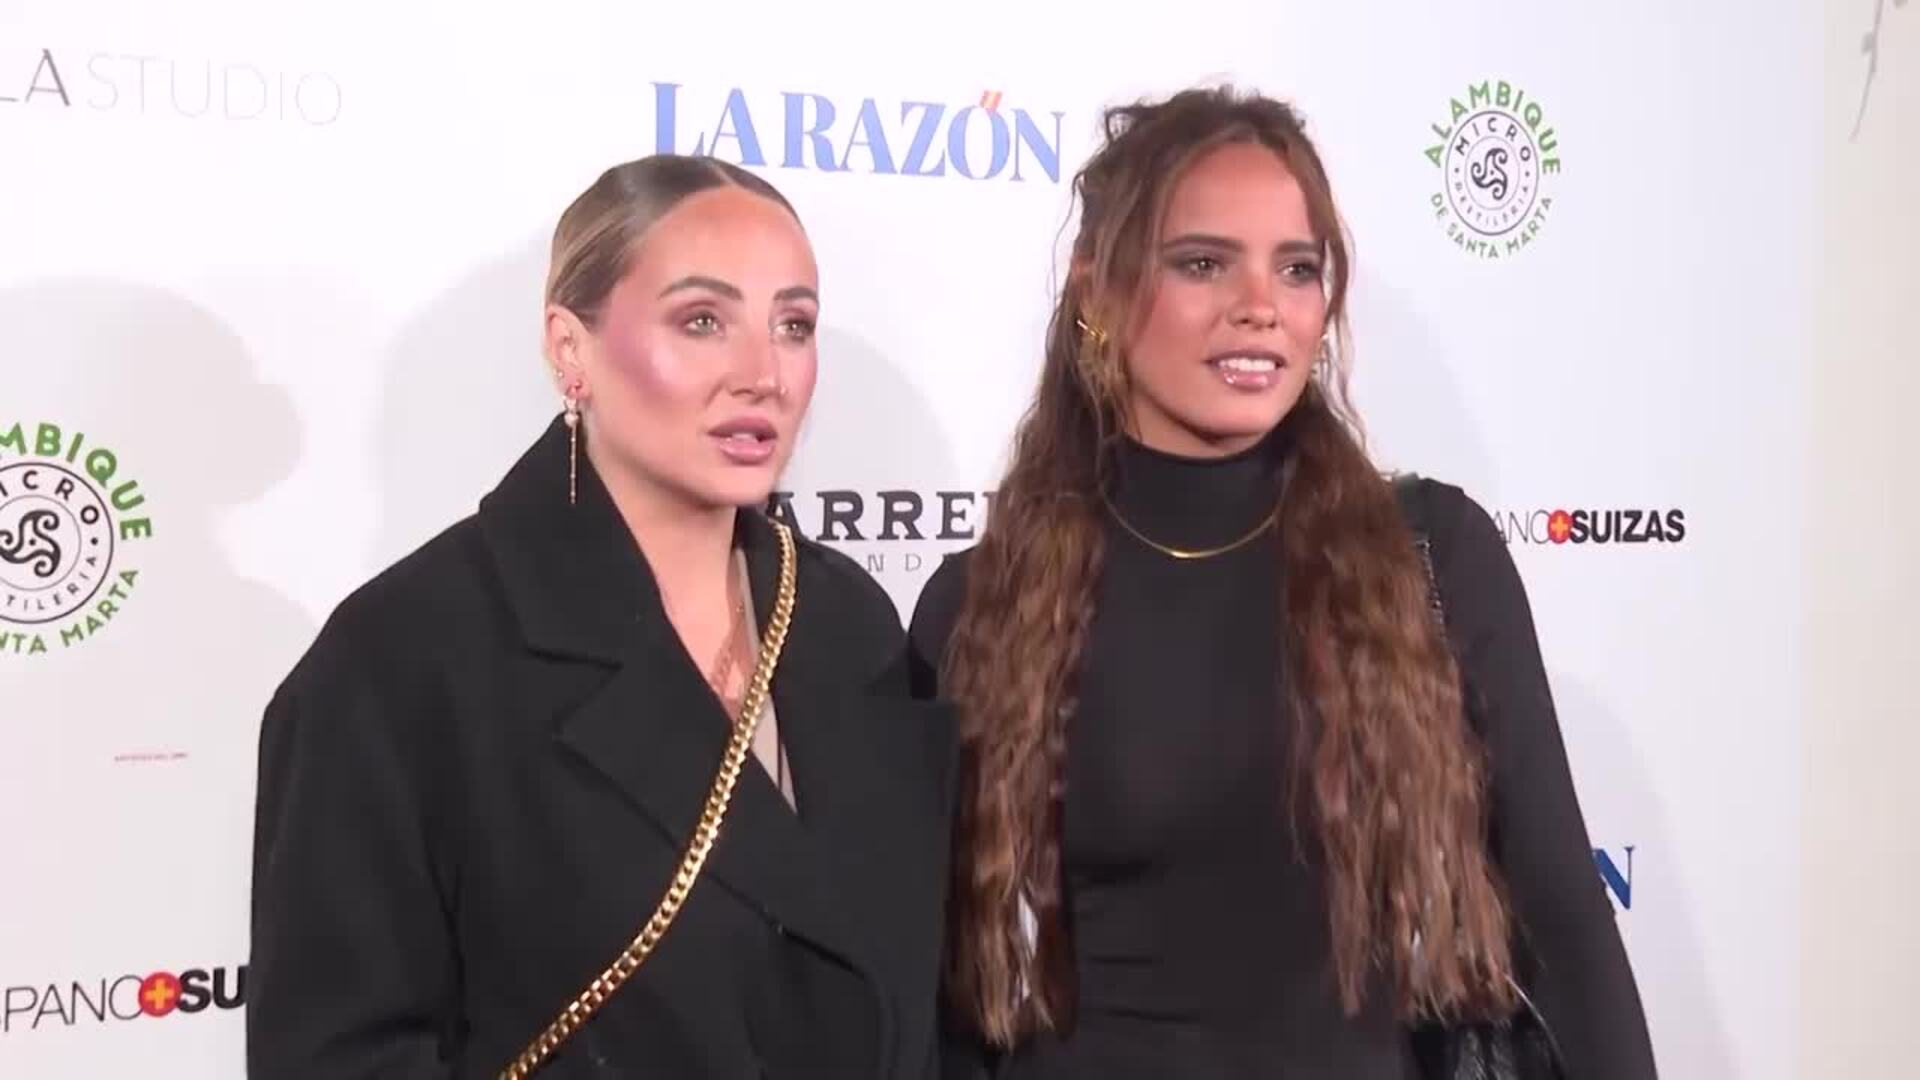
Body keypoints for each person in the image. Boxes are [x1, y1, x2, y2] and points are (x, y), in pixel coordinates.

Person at [911, 87, 1658, 1079]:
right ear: (1096, 288)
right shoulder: (980, 601)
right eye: (1203, 263)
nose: (1260, 304)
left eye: (1296, 268)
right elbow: (943, 998)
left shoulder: (1430, 558)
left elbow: (1564, 918)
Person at [248, 154, 957, 1079]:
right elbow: (336, 1057)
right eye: (702, 321)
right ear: (569, 349)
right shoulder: (402, 661)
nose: (763, 375)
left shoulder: (846, 619)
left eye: (793, 325)